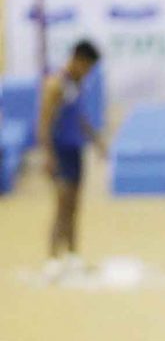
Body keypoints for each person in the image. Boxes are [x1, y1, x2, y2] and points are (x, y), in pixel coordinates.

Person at [38, 40, 105, 281]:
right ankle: (53, 257)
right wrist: (48, 155)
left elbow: (80, 117)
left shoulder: (77, 84)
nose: (87, 73)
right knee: (61, 206)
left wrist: (96, 141)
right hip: (60, 151)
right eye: (86, 67)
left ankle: (73, 255)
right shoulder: (56, 84)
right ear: (77, 59)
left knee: (75, 206)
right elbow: (44, 121)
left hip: (76, 150)